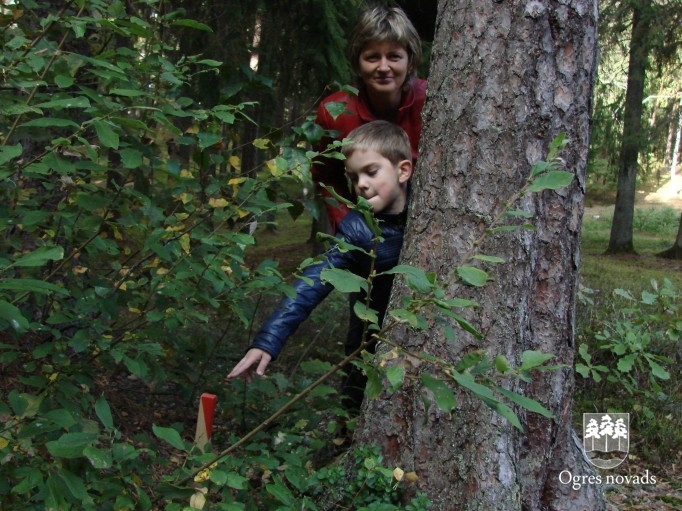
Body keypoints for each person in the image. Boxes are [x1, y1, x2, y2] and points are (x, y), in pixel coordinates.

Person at [227, 121, 413, 409]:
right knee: (357, 404)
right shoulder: (355, 230)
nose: (361, 184)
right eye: (354, 177)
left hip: (419, 339)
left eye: (371, 172)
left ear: (403, 170)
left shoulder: (431, 204)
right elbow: (312, 283)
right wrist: (267, 340)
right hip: (369, 343)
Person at [312, 5, 426, 232]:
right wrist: (348, 224)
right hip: (365, 227)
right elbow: (325, 177)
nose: (384, 67)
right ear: (357, 62)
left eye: (394, 56)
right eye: (373, 57)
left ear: (410, 61)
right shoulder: (335, 113)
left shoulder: (432, 102)